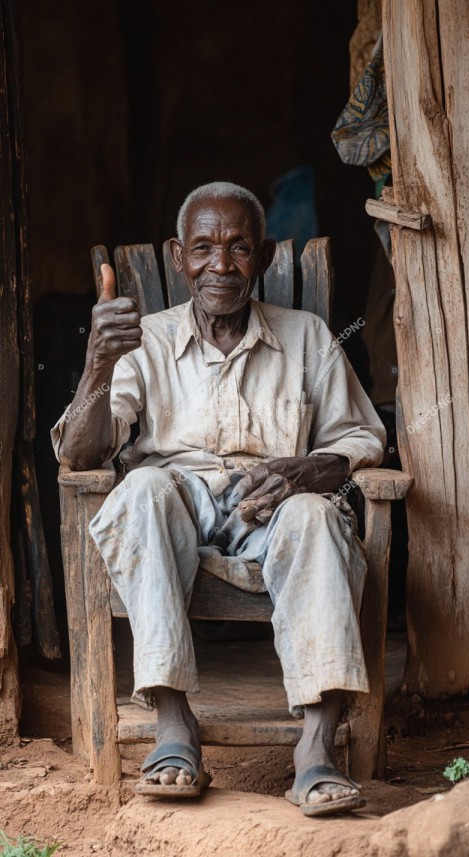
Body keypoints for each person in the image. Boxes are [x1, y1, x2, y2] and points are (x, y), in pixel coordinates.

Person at [52, 181, 386, 817]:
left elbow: (359, 437)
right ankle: (175, 729)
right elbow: (81, 455)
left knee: (319, 515)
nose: (221, 265)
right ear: (179, 258)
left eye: (238, 248)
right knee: (142, 487)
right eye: (203, 248)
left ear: (263, 259)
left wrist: (309, 471)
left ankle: (315, 750)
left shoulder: (310, 336)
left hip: (274, 511)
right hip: (176, 508)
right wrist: (97, 363)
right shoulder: (143, 340)